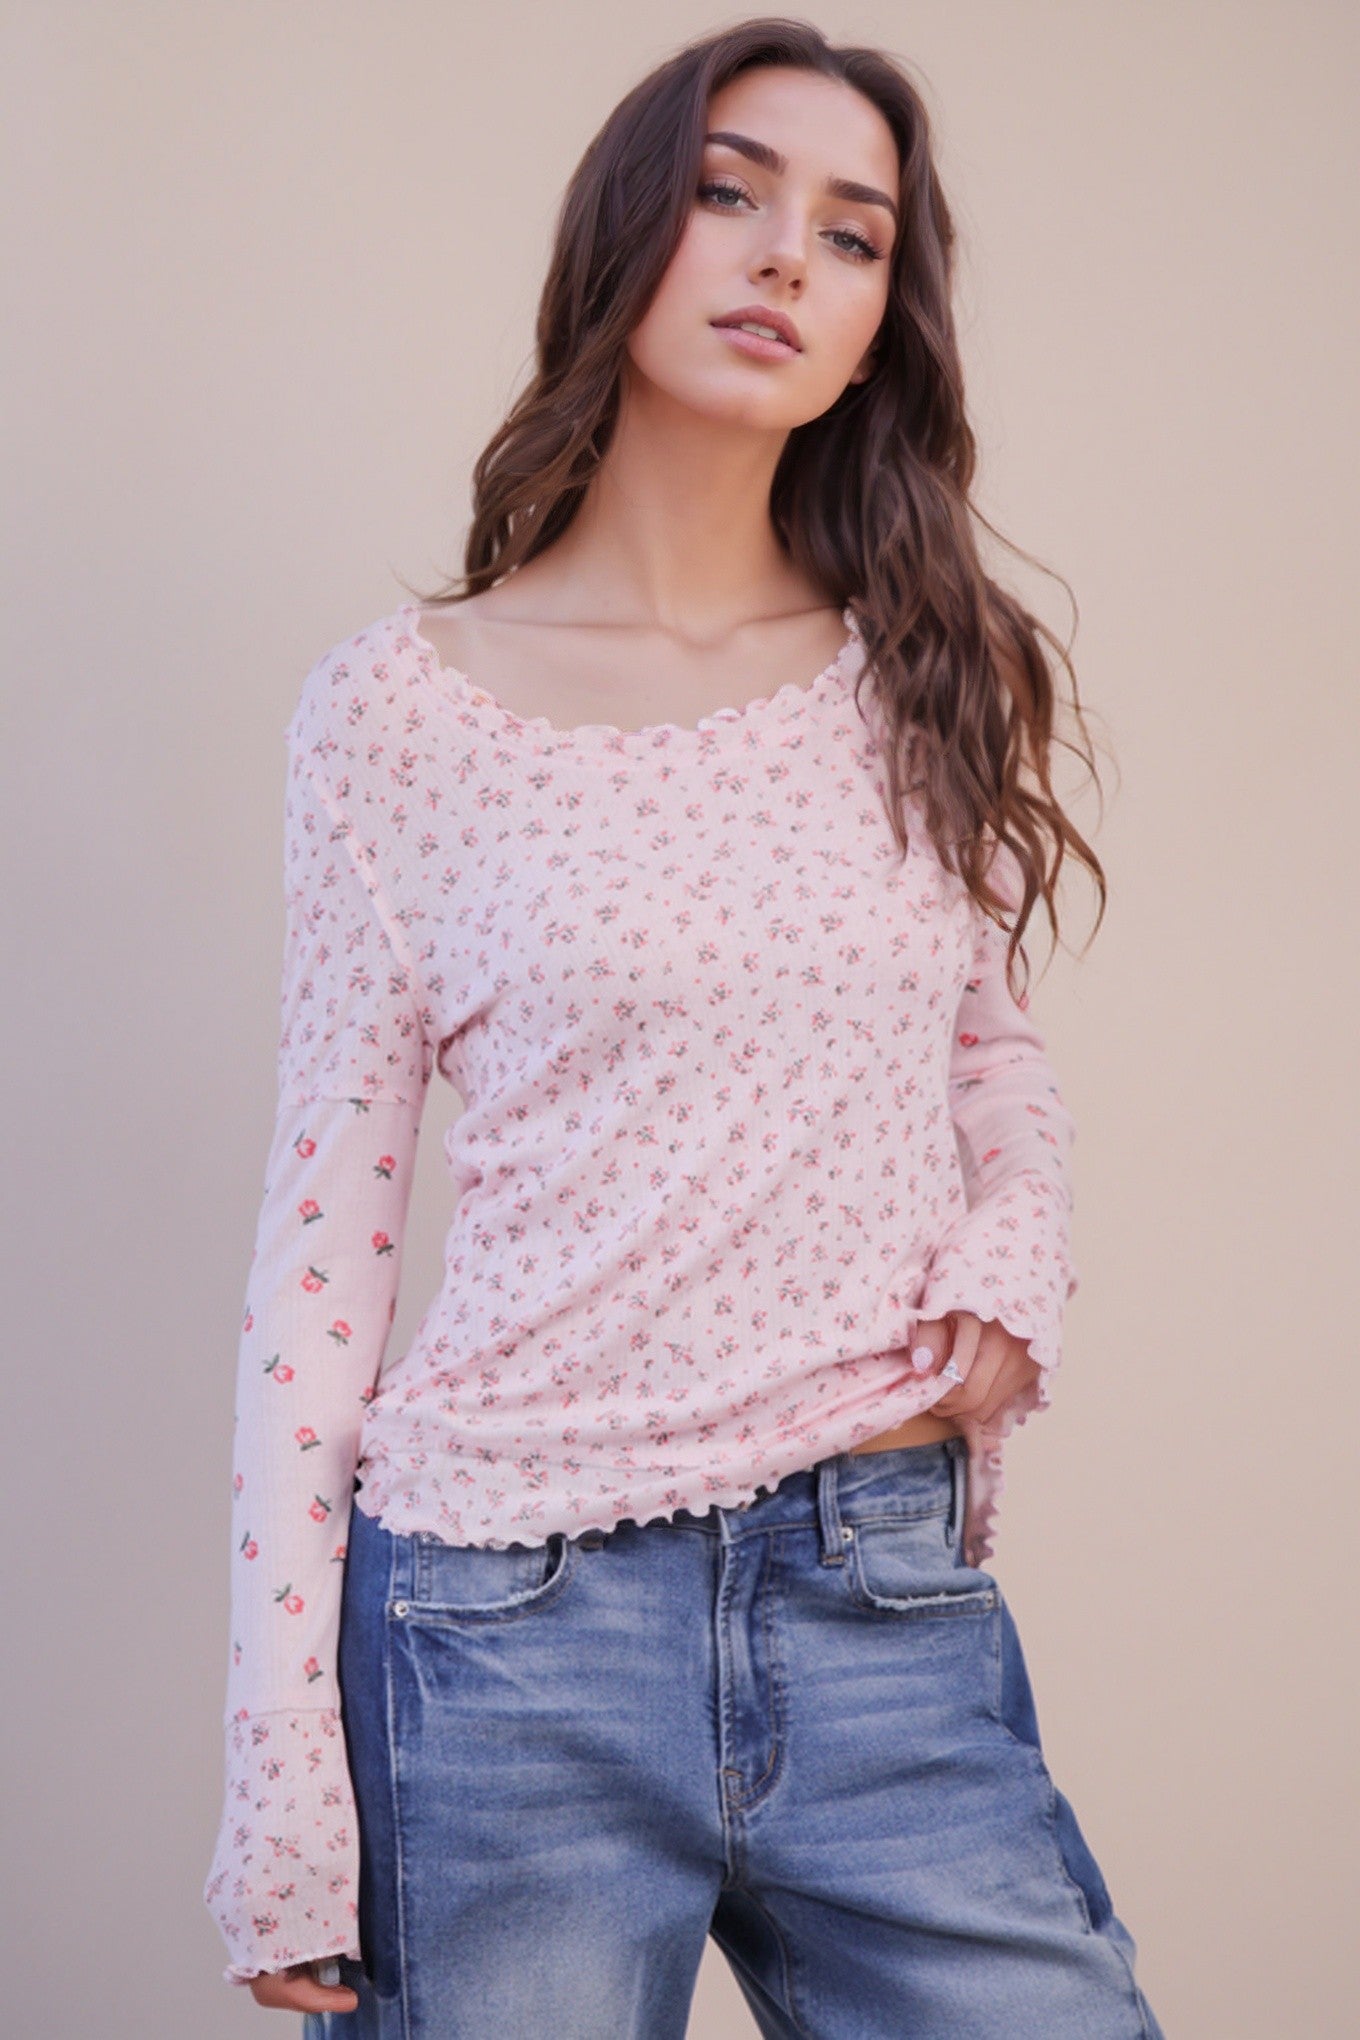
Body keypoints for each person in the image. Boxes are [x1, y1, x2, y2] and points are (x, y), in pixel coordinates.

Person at [203, 19, 1165, 2036]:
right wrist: (281, 1766)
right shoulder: (396, 716)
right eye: (731, 192)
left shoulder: (925, 673)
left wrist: (1012, 1257)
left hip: (875, 1583)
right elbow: (321, 1251)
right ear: (627, 233)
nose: (785, 255)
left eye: (852, 233)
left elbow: (987, 1056)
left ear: (876, 332)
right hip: (503, 1630)